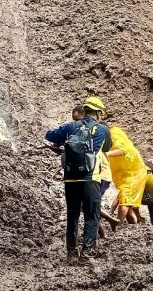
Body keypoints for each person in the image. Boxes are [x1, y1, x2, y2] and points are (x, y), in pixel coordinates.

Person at [45, 96, 111, 260]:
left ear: (84, 110)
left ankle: (71, 253)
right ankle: (87, 253)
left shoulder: (71, 126)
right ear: (98, 112)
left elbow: (50, 135)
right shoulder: (102, 129)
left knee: (72, 214)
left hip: (70, 179)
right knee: (91, 215)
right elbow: (108, 147)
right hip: (90, 178)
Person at [106, 126, 148, 225]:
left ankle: (117, 226)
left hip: (134, 173)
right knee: (125, 199)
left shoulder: (115, 135)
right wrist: (110, 212)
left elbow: (122, 150)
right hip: (124, 174)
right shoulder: (107, 138)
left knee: (125, 202)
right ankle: (136, 223)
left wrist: (106, 154)